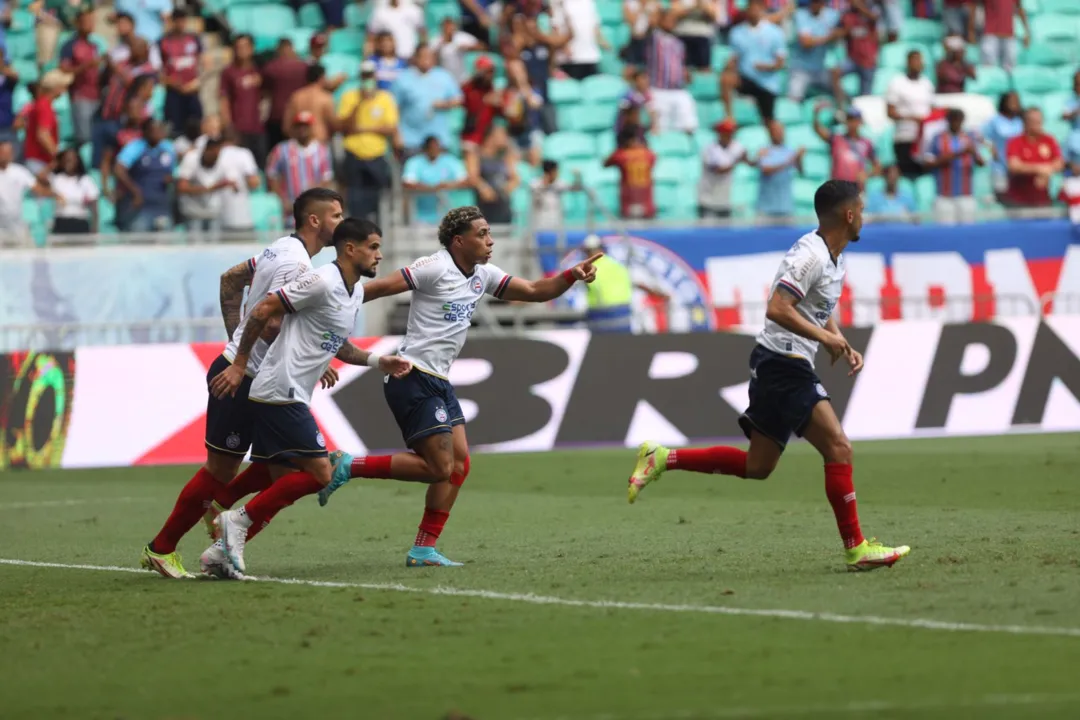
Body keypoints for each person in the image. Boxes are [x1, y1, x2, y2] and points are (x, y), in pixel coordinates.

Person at [626, 179, 911, 572]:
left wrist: (839, 341)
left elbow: (814, 304)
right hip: (783, 363)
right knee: (839, 448)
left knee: (757, 466)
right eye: (860, 210)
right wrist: (825, 338)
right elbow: (778, 308)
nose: (863, 216)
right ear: (848, 215)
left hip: (779, 362)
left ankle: (661, 458)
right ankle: (856, 547)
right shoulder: (810, 255)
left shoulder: (834, 256)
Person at [315, 206, 603, 567]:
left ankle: (423, 548)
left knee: (460, 465)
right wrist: (327, 330)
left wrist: (570, 276)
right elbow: (372, 290)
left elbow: (532, 290)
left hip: (439, 380)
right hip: (412, 375)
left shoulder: (482, 274)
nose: (490, 239)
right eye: (482, 234)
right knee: (439, 468)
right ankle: (349, 465)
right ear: (458, 241)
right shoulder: (434, 267)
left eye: (489, 233)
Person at [140, 188, 347, 579]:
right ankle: (163, 547)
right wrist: (245, 356)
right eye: (335, 215)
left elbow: (230, 279)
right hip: (247, 379)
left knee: (283, 470)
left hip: (263, 377)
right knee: (222, 471)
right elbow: (271, 321)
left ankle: (222, 535)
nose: (341, 221)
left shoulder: (277, 249)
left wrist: (239, 341)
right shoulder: (297, 266)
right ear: (314, 220)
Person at [206, 219, 414, 578]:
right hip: (279, 389)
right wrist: (240, 363)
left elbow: (340, 346)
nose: (380, 255)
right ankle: (235, 520)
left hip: (293, 391)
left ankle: (219, 550)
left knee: (279, 475)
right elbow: (262, 310)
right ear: (350, 249)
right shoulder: (321, 280)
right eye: (374, 247)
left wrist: (381, 361)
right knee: (321, 473)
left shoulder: (355, 291)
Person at [338, 60, 399, 221]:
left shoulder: (385, 98)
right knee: (355, 199)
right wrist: (359, 103)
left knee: (378, 197)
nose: (367, 79)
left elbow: (390, 127)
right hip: (354, 154)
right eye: (365, 76)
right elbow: (344, 126)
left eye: (370, 75)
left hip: (377, 154)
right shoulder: (350, 96)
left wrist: (364, 129)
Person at [266, 111, 335, 227]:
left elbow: (326, 178)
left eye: (306, 126)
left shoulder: (322, 151)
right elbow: (272, 175)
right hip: (289, 210)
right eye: (299, 126)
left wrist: (316, 192)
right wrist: (281, 199)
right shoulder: (282, 150)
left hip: (313, 210)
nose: (302, 130)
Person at [724, 0, 787, 123]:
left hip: (767, 84)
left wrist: (766, 67)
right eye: (751, 7)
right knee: (726, 79)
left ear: (763, 8)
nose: (754, 10)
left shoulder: (775, 32)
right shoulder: (736, 32)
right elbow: (734, 58)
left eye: (757, 7)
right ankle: (729, 117)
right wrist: (728, 67)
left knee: (769, 121)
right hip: (747, 79)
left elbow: (780, 63)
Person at [393, 44, 462, 155]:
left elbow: (458, 99)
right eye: (423, 56)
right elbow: (394, 107)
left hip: (438, 138)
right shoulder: (403, 78)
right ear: (416, 57)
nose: (426, 60)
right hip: (411, 139)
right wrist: (397, 135)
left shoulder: (444, 76)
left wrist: (445, 104)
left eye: (430, 56)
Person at [112, 117, 176, 232]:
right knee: (140, 245)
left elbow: (174, 171)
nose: (158, 133)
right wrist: (135, 190)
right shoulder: (136, 147)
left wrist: (170, 179)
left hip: (162, 205)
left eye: (159, 130)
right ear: (146, 132)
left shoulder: (168, 147)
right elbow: (118, 169)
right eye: (154, 130)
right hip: (141, 207)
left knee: (166, 246)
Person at [925, 108, 982, 225]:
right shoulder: (938, 138)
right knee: (945, 232)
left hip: (966, 194)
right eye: (953, 120)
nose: (956, 123)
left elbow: (981, 163)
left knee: (968, 232)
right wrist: (959, 153)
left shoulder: (970, 137)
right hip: (944, 195)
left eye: (959, 120)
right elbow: (929, 163)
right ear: (948, 121)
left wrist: (974, 153)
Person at [219, 34, 267, 166]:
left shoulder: (259, 71)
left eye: (245, 47)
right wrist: (228, 125)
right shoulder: (229, 72)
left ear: (252, 49)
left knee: (259, 165)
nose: (241, 50)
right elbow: (224, 99)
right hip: (238, 129)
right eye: (238, 47)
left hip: (258, 128)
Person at [885, 50, 934, 179]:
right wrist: (912, 118)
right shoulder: (897, 82)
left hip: (923, 139)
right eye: (915, 60)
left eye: (920, 60)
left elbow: (931, 109)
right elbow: (890, 112)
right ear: (908, 62)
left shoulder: (927, 84)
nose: (918, 64)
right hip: (905, 137)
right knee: (907, 174)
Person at [58, 8, 101, 147]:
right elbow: (64, 70)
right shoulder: (69, 45)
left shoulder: (95, 45)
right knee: (84, 137)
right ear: (78, 23)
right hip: (80, 96)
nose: (89, 25)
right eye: (85, 22)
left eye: (91, 22)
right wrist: (86, 66)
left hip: (96, 96)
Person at [402, 135, 469, 224]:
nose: (434, 150)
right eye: (431, 147)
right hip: (421, 216)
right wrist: (432, 188)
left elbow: (465, 180)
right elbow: (408, 183)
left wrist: (448, 185)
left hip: (448, 213)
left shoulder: (450, 161)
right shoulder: (415, 162)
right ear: (425, 149)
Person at [1004, 107, 1063, 208]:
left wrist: (1047, 171)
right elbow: (1014, 166)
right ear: (1025, 122)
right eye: (1034, 121)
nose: (1038, 124)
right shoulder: (1015, 142)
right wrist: (1039, 169)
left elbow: (1059, 163)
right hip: (1019, 201)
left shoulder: (1048, 140)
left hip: (1043, 199)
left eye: (1040, 121)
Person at [158, 8, 203, 135]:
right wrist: (174, 84)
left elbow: (203, 63)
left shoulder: (194, 39)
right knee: (175, 130)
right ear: (172, 21)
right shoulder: (163, 42)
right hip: (173, 93)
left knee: (195, 126)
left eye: (183, 20)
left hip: (192, 91)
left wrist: (197, 82)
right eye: (177, 20)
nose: (180, 23)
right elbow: (158, 70)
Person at [0, 138, 54, 244]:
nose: (6, 155)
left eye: (9, 152)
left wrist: (55, 194)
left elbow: (37, 189)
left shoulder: (19, 172)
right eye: (3, 152)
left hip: (17, 224)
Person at [788, 0, 842, 103]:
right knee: (793, 99)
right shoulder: (800, 15)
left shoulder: (832, 15)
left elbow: (840, 33)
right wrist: (828, 37)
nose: (815, 4)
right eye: (813, 2)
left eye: (818, 2)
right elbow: (806, 43)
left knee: (838, 88)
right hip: (800, 69)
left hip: (820, 69)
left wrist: (834, 36)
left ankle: (843, 113)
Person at [813, 103, 879, 186]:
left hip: (856, 189)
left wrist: (867, 174)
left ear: (860, 122)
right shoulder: (836, 139)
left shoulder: (866, 143)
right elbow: (819, 130)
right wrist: (816, 115)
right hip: (837, 187)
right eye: (849, 119)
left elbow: (877, 167)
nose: (852, 123)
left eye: (855, 119)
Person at [261, 39, 309, 151]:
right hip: (298, 116)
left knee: (277, 152)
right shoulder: (303, 66)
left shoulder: (271, 67)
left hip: (277, 116)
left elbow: (264, 91)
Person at [466, 123, 518, 224]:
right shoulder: (475, 154)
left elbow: (515, 178)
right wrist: (483, 187)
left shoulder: (506, 155)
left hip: (503, 206)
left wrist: (508, 187)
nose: (506, 138)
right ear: (491, 136)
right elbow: (473, 176)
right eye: (502, 135)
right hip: (483, 207)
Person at [23, 70, 71, 175]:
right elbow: (43, 135)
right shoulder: (44, 106)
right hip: (39, 161)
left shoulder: (42, 104)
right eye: (63, 86)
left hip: (38, 160)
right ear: (56, 88)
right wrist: (58, 156)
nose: (65, 89)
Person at [754, 119, 803, 219]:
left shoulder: (789, 150)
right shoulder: (764, 150)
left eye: (781, 130)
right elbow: (766, 170)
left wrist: (799, 158)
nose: (779, 133)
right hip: (766, 208)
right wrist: (790, 160)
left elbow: (800, 171)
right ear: (770, 132)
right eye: (776, 130)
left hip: (785, 206)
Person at [697, 118, 745, 219]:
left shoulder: (736, 146)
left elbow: (748, 161)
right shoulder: (710, 149)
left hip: (725, 198)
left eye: (731, 133)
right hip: (708, 198)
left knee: (725, 231)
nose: (729, 136)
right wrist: (737, 161)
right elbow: (718, 170)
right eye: (726, 133)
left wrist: (760, 157)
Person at [604, 128, 657, 219]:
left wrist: (620, 148)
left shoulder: (620, 155)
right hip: (646, 202)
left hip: (628, 201)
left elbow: (605, 163)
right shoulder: (648, 154)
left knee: (627, 231)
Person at [48, 146, 99, 234]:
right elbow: (39, 177)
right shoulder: (55, 179)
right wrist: (55, 162)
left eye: (72, 159)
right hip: (61, 221)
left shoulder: (86, 180)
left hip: (80, 222)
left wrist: (94, 230)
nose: (69, 162)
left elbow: (94, 207)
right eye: (66, 159)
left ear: (78, 161)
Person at [983, 90, 1024, 199]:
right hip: (1000, 166)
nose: (1014, 104)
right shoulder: (995, 121)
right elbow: (983, 138)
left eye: (1017, 101)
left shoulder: (1021, 121)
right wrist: (991, 150)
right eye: (1011, 101)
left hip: (1018, 168)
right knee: (1002, 196)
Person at [970, 0, 1029, 73]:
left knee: (1010, 70)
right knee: (988, 69)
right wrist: (971, 30)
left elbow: (1020, 9)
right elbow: (974, 6)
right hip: (990, 34)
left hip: (1008, 34)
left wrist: (1026, 31)